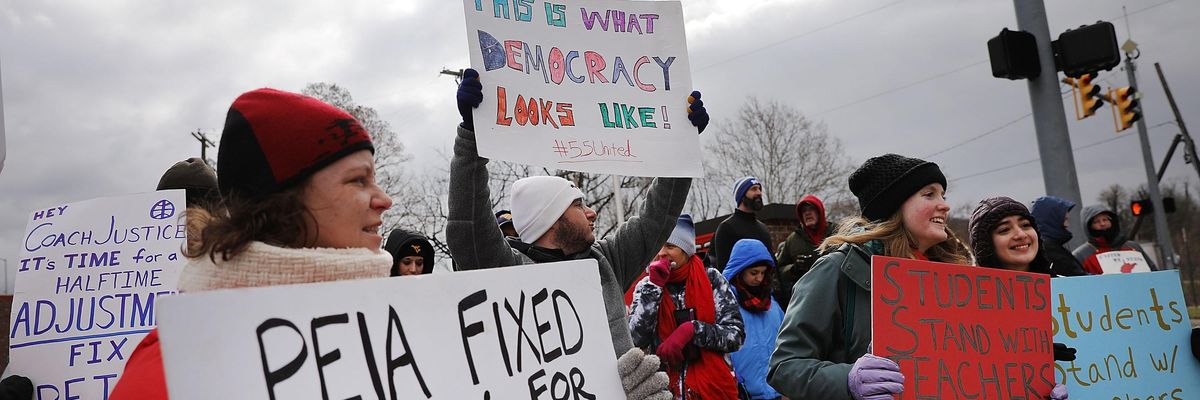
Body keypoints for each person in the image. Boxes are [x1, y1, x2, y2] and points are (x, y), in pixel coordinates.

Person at [109, 88, 395, 399]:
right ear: (285, 205)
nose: (384, 199)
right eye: (358, 180)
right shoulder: (172, 372)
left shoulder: (397, 331)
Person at [450, 68, 708, 400]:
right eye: (577, 205)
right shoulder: (507, 272)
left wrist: (680, 146)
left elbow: (658, 215)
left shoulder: (606, 262)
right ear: (551, 221)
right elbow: (467, 227)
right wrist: (472, 136)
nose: (592, 212)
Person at [769, 154, 970, 400]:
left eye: (943, 195)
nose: (945, 205)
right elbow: (784, 366)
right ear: (895, 206)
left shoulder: (953, 277)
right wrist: (848, 380)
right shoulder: (837, 269)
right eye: (929, 194)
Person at [967, 196, 1075, 399]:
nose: (1020, 234)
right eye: (1004, 230)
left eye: (1025, 225)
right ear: (987, 245)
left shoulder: (1069, 290)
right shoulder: (969, 305)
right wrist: (1024, 357)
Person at [628, 215, 743, 399]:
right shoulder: (645, 287)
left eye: (670, 246)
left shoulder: (711, 279)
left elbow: (735, 336)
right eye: (658, 246)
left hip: (712, 389)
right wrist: (654, 288)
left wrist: (693, 330)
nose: (662, 253)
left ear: (686, 250)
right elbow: (635, 340)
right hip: (665, 391)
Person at [723, 239, 785, 400]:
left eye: (763, 273)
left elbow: (786, 342)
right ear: (739, 271)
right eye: (754, 273)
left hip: (775, 390)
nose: (759, 278)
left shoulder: (772, 305)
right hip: (741, 392)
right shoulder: (725, 305)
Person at [775, 194, 837, 307]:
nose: (807, 213)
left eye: (811, 209)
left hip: (836, 294)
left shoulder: (836, 233)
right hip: (807, 299)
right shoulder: (793, 240)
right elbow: (779, 270)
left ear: (820, 212)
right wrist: (793, 268)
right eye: (803, 211)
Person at [1072, 205, 1157, 274]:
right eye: (1096, 222)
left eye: (1105, 219)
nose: (1102, 224)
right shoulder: (1081, 255)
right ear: (1088, 227)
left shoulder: (1133, 247)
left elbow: (1154, 273)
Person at [711, 176, 772, 272]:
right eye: (753, 189)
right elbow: (723, 269)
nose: (759, 193)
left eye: (759, 189)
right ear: (742, 195)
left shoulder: (763, 228)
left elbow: (772, 265)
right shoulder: (726, 227)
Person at [1029, 196, 1087, 276]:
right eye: (1065, 219)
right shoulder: (1050, 250)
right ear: (1052, 220)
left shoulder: (1048, 247)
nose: (1067, 225)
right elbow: (1077, 278)